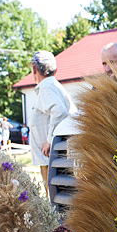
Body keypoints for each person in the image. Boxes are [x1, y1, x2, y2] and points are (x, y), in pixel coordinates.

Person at [28, 51, 75, 192]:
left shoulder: (46, 87)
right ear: (55, 70)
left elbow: (59, 111)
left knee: (53, 196)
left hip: (50, 159)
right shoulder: (52, 85)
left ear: (34, 70)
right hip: (51, 158)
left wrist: (50, 140)